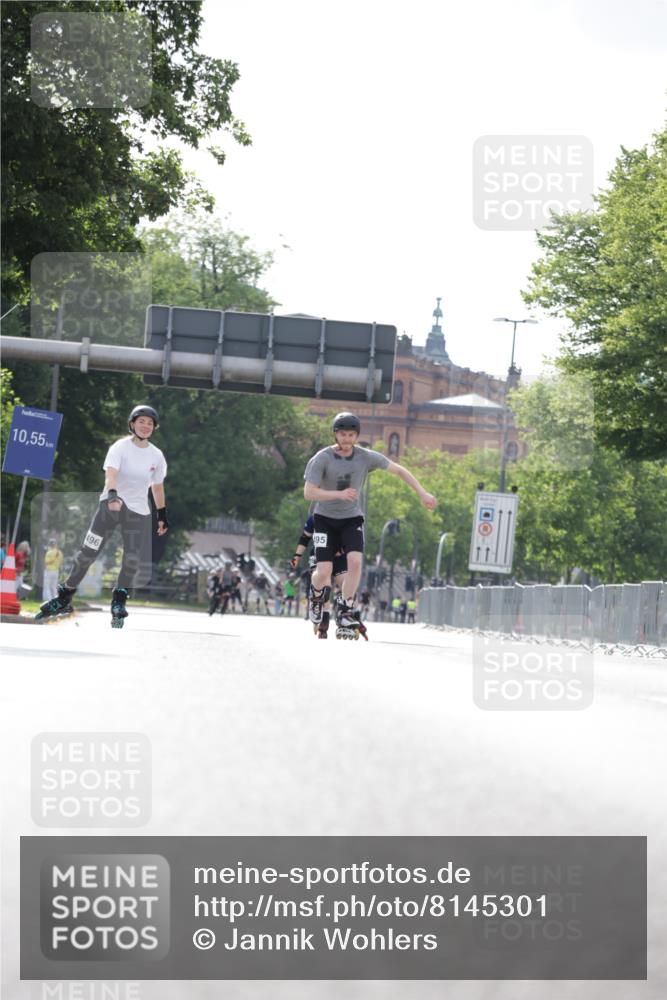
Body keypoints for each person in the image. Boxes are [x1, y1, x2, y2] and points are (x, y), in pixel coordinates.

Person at [304, 412, 437, 637]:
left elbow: (399, 470)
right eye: (343, 434)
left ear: (356, 436)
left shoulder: (365, 457)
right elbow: (309, 492)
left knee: (355, 562)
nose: (347, 439)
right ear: (335, 435)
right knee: (324, 571)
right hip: (324, 520)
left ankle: (345, 608)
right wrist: (339, 494)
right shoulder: (322, 458)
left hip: (351, 519)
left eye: (351, 435)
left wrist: (422, 493)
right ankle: (316, 596)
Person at [36, 404, 168, 628]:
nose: (145, 426)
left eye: (150, 423)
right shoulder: (120, 447)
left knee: (132, 558)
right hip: (110, 507)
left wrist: (162, 515)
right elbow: (111, 475)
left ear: (154, 427)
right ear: (132, 424)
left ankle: (119, 600)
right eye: (141, 421)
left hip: (138, 512)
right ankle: (64, 597)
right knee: (88, 551)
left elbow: (157, 488)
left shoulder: (157, 456)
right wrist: (113, 496)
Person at [290, 510, 348, 634]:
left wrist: (342, 550)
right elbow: (305, 537)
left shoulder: (346, 515)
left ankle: (344, 613)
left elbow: (353, 541)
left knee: (344, 585)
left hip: (338, 555)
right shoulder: (316, 516)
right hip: (318, 554)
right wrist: (297, 555)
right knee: (324, 583)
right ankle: (322, 614)